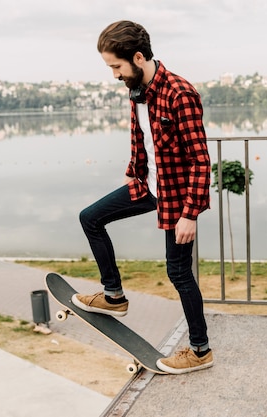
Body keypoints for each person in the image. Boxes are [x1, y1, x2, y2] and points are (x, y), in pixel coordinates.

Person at [72, 20, 214, 374]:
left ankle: (200, 351)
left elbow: (200, 159)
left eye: (116, 67)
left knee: (178, 273)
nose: (115, 75)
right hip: (146, 185)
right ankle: (114, 296)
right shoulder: (137, 90)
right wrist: (132, 169)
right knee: (90, 218)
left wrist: (190, 214)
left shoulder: (180, 93)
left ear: (137, 57)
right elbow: (143, 141)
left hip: (176, 196)